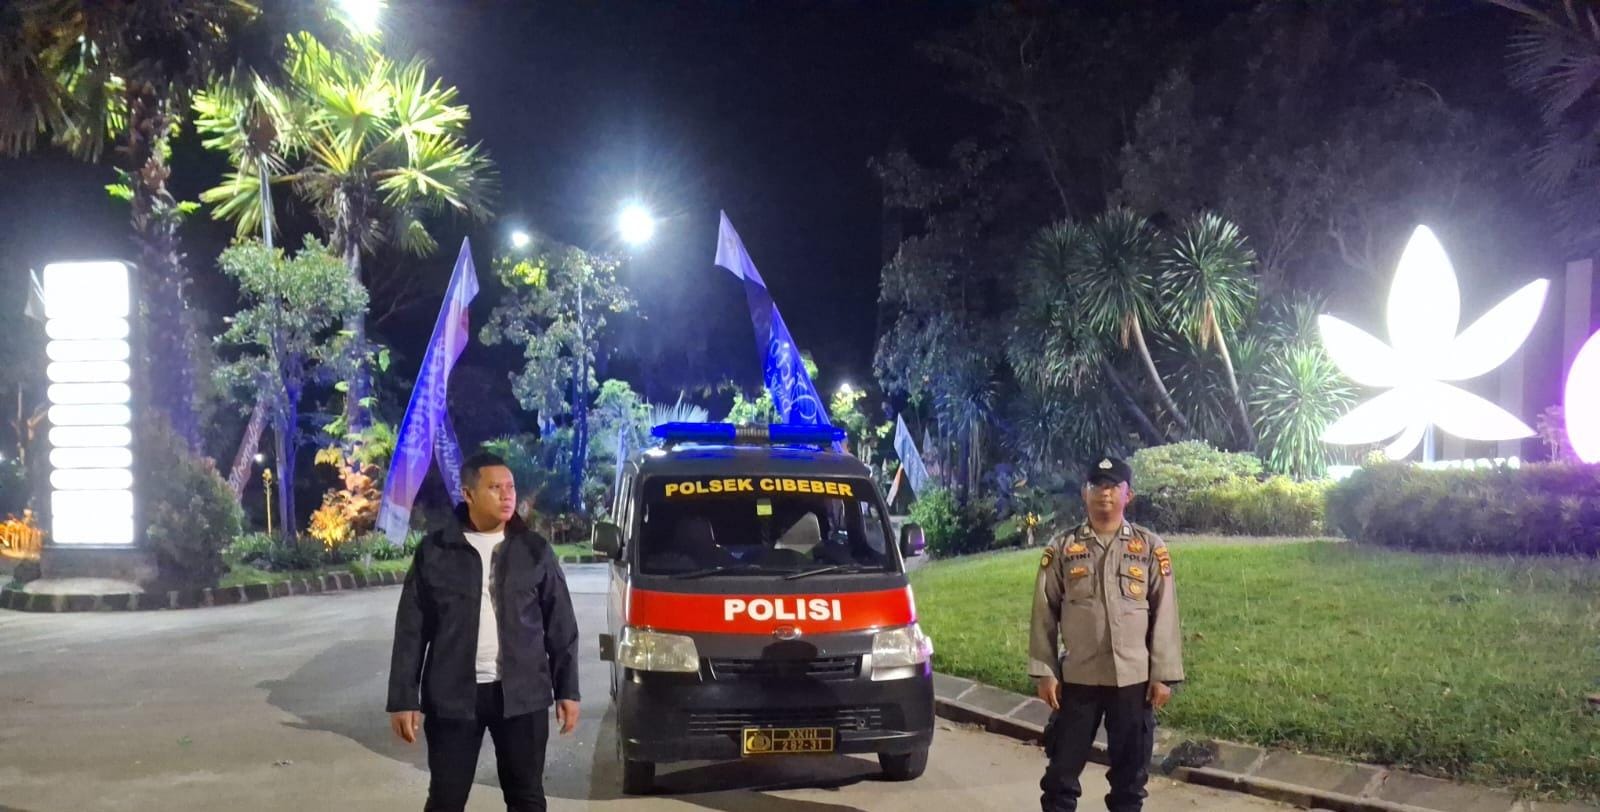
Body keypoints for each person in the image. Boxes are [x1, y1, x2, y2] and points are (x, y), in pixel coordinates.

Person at [387, 452, 581, 812]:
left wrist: (567, 689)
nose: (507, 495)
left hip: (523, 696)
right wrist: (403, 697)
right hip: (453, 696)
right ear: (468, 494)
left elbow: (561, 625)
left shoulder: (534, 550)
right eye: (495, 488)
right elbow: (411, 628)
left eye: (510, 487)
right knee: (446, 799)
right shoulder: (435, 551)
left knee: (527, 797)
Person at [1029, 456, 1184, 812]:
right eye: (1097, 485)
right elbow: (1043, 612)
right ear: (1084, 493)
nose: (1105, 493)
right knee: (1061, 776)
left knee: (1130, 780)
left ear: (1128, 495)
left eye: (1114, 486)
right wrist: (1045, 672)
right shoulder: (1062, 548)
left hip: (1133, 680)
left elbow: (1165, 612)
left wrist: (1162, 674)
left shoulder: (1149, 547)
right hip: (1079, 679)